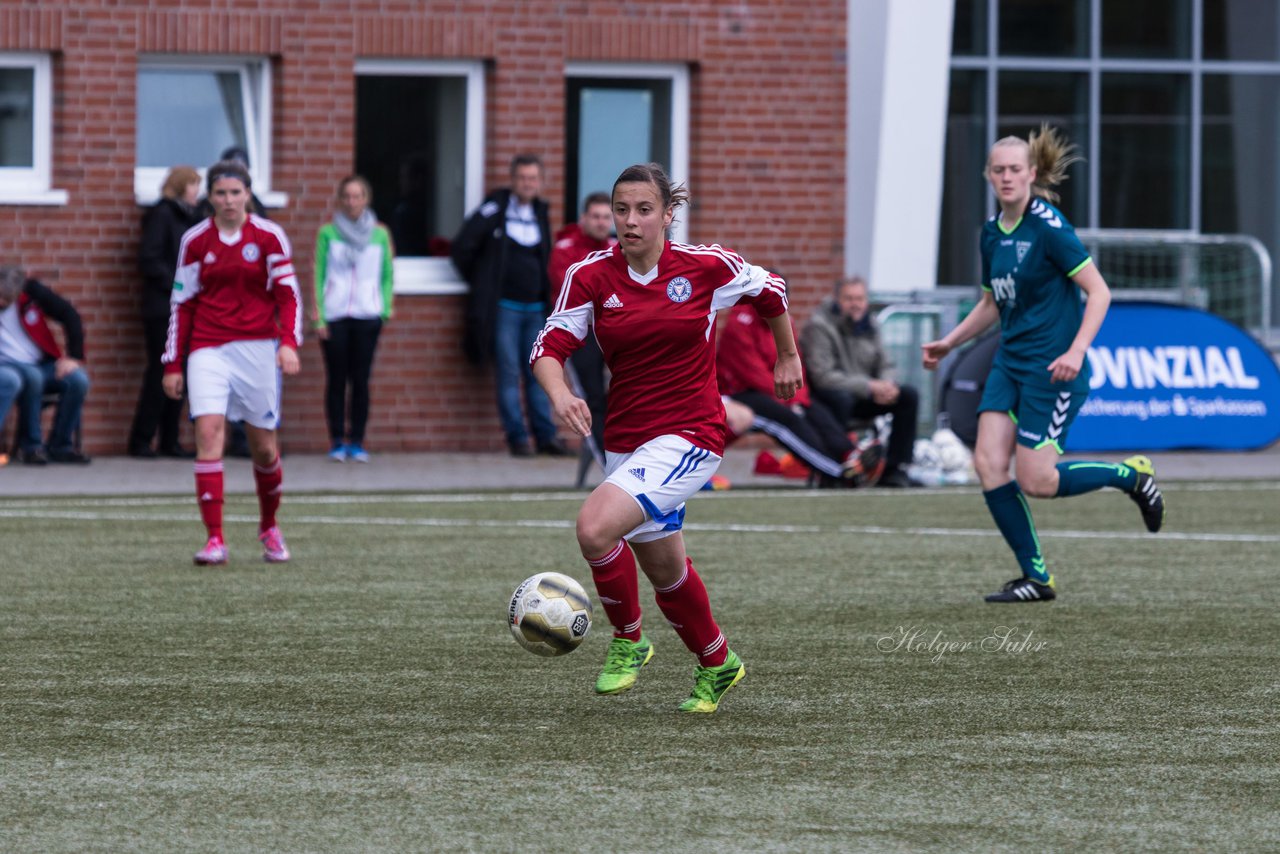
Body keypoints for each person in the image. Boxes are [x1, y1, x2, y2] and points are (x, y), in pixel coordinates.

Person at [531, 162, 803, 713]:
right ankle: (718, 662)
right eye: (622, 210)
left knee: (593, 528)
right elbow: (548, 348)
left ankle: (629, 640)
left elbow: (772, 289)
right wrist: (560, 395)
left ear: (668, 215)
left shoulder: (705, 267)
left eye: (644, 210)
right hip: (626, 440)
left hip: (692, 433)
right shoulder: (590, 275)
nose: (630, 221)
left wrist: (788, 355)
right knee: (665, 570)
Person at [921, 125, 1166, 603]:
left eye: (1016, 169)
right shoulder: (991, 235)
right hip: (1009, 364)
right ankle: (1037, 576)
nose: (1007, 177)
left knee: (1038, 481)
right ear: (989, 177)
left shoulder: (1049, 228)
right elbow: (993, 302)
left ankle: (1131, 476)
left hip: (1052, 372)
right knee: (988, 464)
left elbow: (1099, 292)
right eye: (999, 170)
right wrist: (949, 342)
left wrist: (1076, 351)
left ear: (1031, 174)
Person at [162, 158, 302, 566]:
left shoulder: (270, 236)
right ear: (210, 197)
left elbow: (288, 296)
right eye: (220, 193)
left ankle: (269, 526)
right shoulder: (195, 241)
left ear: (248, 195)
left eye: (235, 192)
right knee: (208, 434)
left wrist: (288, 343)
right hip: (208, 347)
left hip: (258, 349)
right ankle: (214, 539)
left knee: (263, 448)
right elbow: (181, 303)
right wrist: (173, 363)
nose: (228, 200)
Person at [451, 153, 569, 458]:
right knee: (508, 372)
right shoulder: (494, 210)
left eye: (533, 178)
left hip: (536, 310)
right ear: (513, 180)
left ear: (540, 182)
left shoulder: (541, 212)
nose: (528, 184)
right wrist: (482, 282)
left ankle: (546, 437)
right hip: (503, 308)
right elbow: (462, 247)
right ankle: (517, 438)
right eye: (522, 178)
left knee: (539, 372)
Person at [717, 300, 881, 486]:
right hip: (742, 392)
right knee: (788, 420)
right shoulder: (739, 322)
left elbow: (795, 363)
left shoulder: (785, 321)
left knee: (815, 411)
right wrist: (788, 399)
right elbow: (752, 373)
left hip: (778, 390)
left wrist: (798, 399)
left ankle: (849, 454)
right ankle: (837, 472)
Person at [801, 275, 922, 487]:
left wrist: (887, 385)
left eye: (860, 298)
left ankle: (895, 469)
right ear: (837, 300)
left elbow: (885, 364)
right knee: (841, 399)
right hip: (829, 398)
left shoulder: (871, 325)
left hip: (865, 395)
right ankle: (838, 468)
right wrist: (868, 386)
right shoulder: (819, 326)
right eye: (849, 298)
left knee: (908, 396)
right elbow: (823, 377)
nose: (855, 304)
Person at [313, 174, 395, 463]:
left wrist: (383, 309)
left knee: (360, 380)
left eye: (357, 196)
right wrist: (319, 315)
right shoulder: (327, 232)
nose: (352, 202)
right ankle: (336, 440)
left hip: (367, 315)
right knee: (336, 380)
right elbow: (318, 273)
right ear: (340, 199)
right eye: (346, 196)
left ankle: (357, 441)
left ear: (366, 199)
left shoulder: (380, 233)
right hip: (334, 315)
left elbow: (387, 274)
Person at [129, 166, 202, 458]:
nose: (198, 191)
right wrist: (178, 284)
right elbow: (150, 259)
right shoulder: (163, 215)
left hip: (185, 307)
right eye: (194, 185)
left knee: (181, 372)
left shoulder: (192, 218)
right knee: (161, 371)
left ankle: (170, 439)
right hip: (162, 308)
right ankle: (141, 439)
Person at [547, 191, 616, 466]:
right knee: (591, 399)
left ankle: (626, 456)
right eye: (596, 217)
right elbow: (575, 293)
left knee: (631, 391)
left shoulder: (616, 247)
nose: (601, 223)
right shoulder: (566, 248)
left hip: (609, 329)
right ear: (583, 218)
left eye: (606, 217)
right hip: (580, 334)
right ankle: (608, 467)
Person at [0, 266, 91, 464]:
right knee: (33, 376)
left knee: (78, 380)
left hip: (41, 363)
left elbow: (70, 315)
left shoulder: (32, 293)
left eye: (6, 298)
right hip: (7, 365)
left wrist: (73, 358)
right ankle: (31, 447)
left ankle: (61, 446)